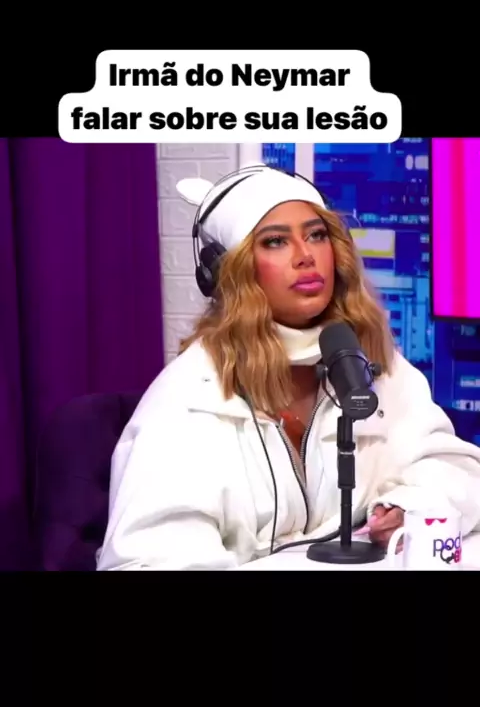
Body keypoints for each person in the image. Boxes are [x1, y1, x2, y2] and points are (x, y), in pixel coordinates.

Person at [96, 164, 480, 570]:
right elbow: (151, 560)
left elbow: (458, 470)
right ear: (229, 270)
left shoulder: (371, 364)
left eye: (316, 235)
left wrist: (410, 506)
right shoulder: (189, 398)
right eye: (276, 242)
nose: (305, 256)